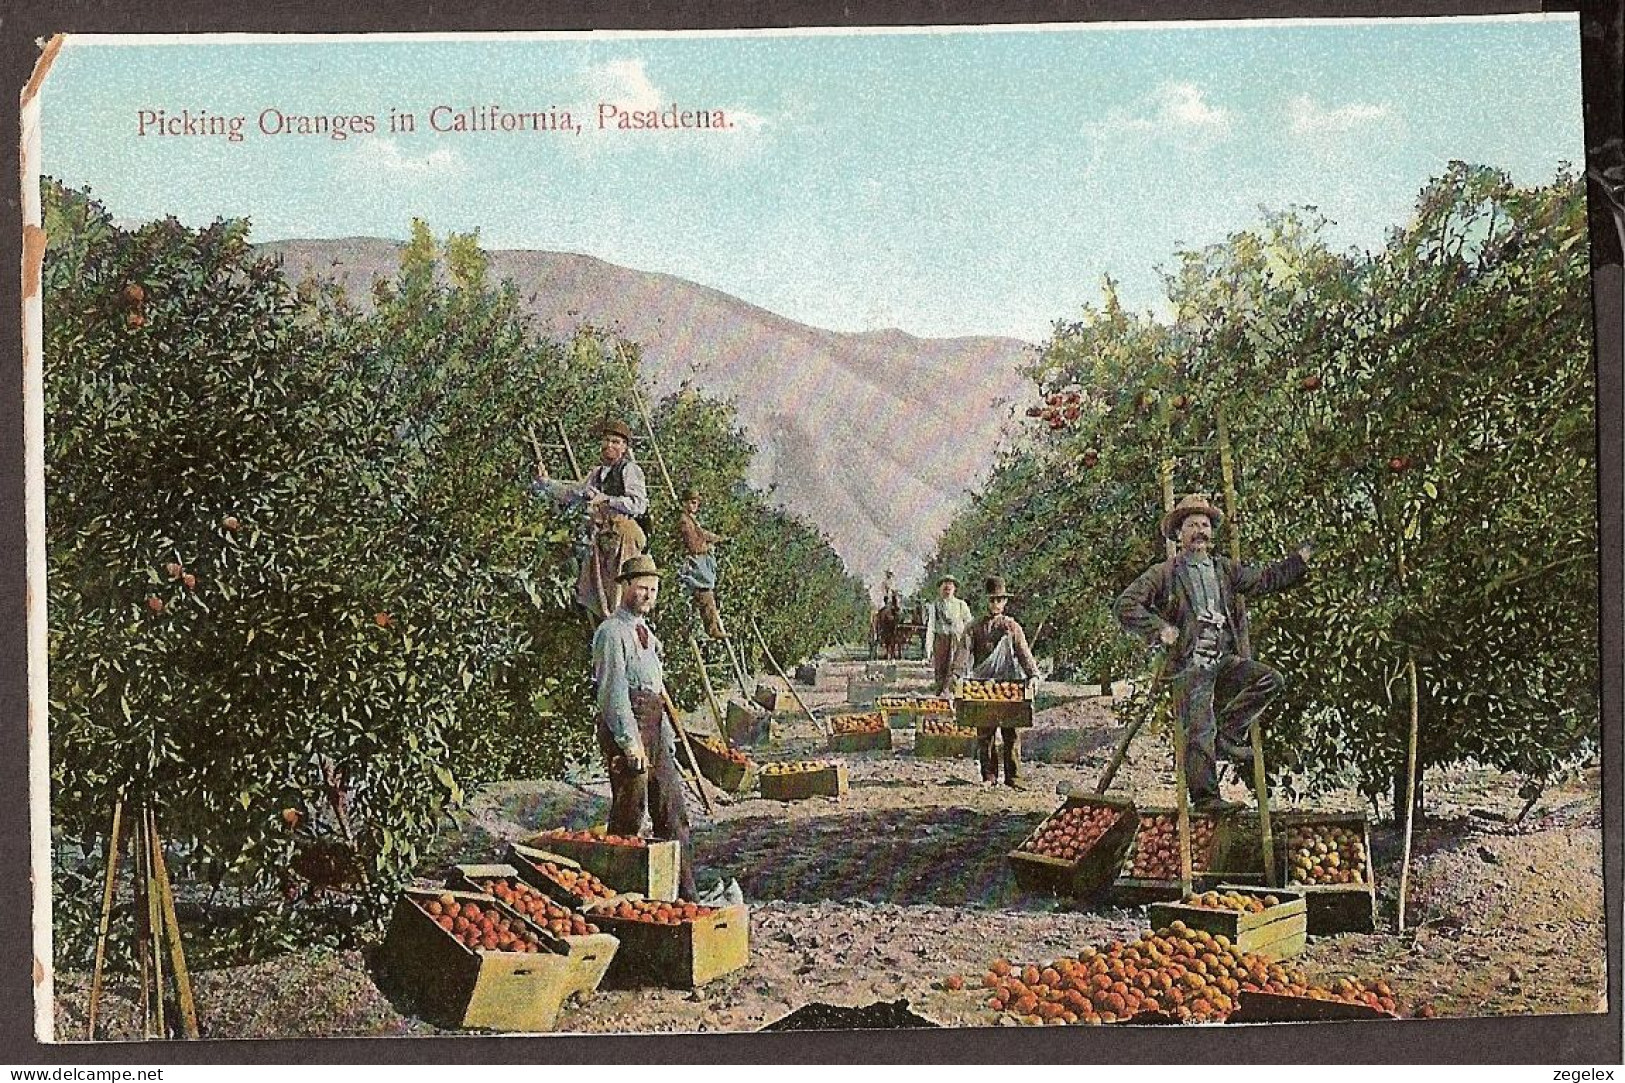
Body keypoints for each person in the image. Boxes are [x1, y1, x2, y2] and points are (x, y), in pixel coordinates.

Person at [1114, 493, 1313, 814]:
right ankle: (1206, 798)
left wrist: (1298, 561)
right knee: (1199, 728)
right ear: (1179, 534)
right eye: (1192, 525)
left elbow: (1263, 581)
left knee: (1269, 680)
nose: (1199, 531)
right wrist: (1160, 629)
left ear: (1211, 533)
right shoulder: (1165, 572)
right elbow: (1126, 605)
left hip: (1223, 658)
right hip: (1190, 664)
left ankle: (1231, 733)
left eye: (1204, 525)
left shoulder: (1224, 570)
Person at [591, 554, 698, 901]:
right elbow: (613, 691)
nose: (648, 595)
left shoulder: (648, 636)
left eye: (653, 589)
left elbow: (656, 696)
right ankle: (617, 898)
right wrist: (629, 743)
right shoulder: (611, 632)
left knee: (673, 811)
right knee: (629, 813)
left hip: (653, 727)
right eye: (641, 588)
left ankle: (684, 895)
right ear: (624, 587)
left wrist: (663, 743)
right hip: (628, 729)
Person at [534, 419, 650, 621]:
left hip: (625, 534)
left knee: (621, 590)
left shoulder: (629, 470)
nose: (610, 445)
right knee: (596, 588)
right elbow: (573, 493)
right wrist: (546, 484)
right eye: (606, 440)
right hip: (605, 535)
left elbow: (638, 504)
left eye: (616, 442)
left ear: (624, 447)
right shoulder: (597, 473)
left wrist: (607, 499)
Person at [967, 576, 1042, 788]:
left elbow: (1024, 653)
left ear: (1005, 602)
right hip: (983, 685)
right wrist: (956, 678)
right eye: (992, 600)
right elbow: (962, 654)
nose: (996, 604)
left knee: (1011, 733)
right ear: (986, 601)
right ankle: (989, 776)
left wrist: (1033, 675)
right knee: (985, 733)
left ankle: (1014, 777)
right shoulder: (975, 627)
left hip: (1009, 683)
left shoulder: (1012, 627)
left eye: (999, 600)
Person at [676, 487, 729, 639]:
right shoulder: (684, 521)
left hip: (698, 561)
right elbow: (693, 545)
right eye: (692, 502)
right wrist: (708, 546)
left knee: (704, 594)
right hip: (692, 563)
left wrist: (717, 538)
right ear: (684, 503)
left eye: (697, 503)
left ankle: (710, 628)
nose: (695, 506)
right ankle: (711, 629)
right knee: (704, 592)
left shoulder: (691, 519)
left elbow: (702, 533)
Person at [925, 574, 974, 694]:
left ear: (954, 588)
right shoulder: (935, 605)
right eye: (944, 585)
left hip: (957, 639)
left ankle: (953, 693)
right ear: (940, 588)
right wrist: (928, 647)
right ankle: (940, 693)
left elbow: (969, 623)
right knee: (940, 667)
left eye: (950, 585)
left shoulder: (961, 604)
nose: (947, 587)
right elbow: (930, 626)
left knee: (955, 666)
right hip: (941, 639)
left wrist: (969, 641)